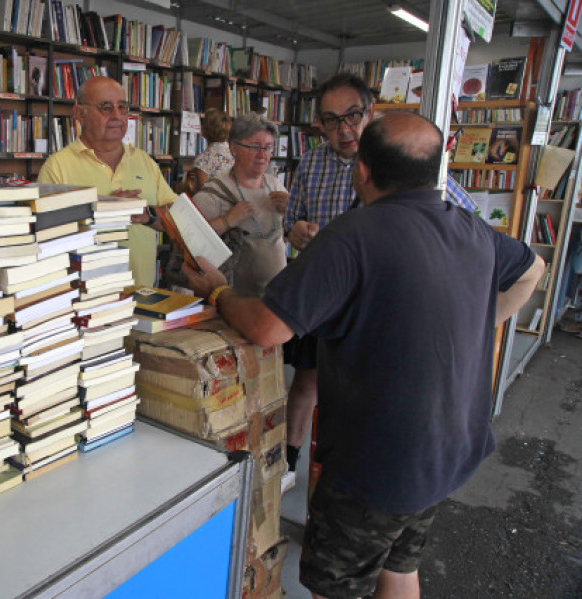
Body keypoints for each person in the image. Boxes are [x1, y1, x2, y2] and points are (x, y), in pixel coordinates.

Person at [183, 111, 544, 599]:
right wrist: (476, 324)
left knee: (338, 585)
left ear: (364, 170)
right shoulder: (470, 228)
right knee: (399, 562)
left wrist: (221, 293)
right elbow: (532, 270)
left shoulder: (353, 236)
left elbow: (269, 327)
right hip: (450, 448)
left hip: (378, 461)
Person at [282, 73, 477, 476]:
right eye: (331, 120)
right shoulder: (313, 161)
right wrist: (295, 232)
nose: (344, 129)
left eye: (353, 115)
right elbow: (292, 217)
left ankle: (343, 471)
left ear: (371, 112)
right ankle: (290, 460)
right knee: (307, 384)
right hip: (325, 299)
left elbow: (463, 219)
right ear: (319, 123)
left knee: (362, 394)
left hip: (382, 307)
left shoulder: (398, 161)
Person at [37, 76, 176, 286]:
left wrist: (147, 215)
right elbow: (44, 238)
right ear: (79, 113)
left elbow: (176, 217)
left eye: (122, 107)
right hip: (87, 300)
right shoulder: (57, 167)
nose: (117, 116)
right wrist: (102, 213)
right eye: (106, 107)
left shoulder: (144, 161)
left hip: (142, 295)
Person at [190, 112, 289, 297]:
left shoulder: (275, 185)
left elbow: (289, 234)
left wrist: (290, 212)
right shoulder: (213, 194)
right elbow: (189, 244)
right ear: (233, 147)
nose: (263, 155)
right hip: (231, 302)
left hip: (275, 298)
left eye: (268, 147)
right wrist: (227, 221)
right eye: (255, 147)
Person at [191, 108, 234, 193]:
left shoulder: (203, 159)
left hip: (213, 204)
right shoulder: (236, 154)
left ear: (204, 131)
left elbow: (203, 193)